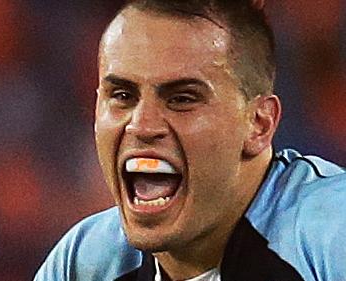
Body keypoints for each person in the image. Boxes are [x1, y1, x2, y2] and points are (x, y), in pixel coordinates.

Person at [34, 0, 346, 280]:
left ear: (259, 124)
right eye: (123, 95)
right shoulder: (85, 261)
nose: (142, 126)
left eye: (182, 99)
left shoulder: (330, 233)